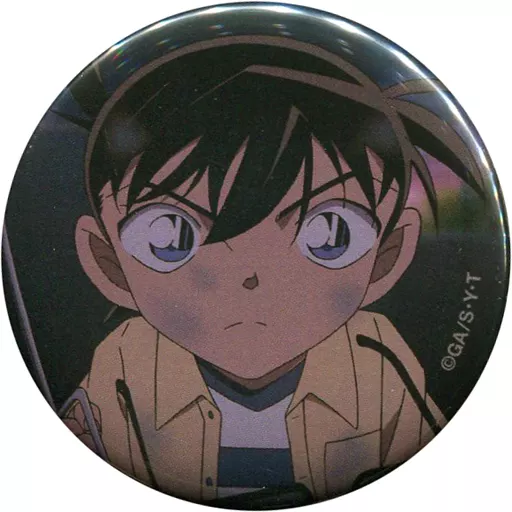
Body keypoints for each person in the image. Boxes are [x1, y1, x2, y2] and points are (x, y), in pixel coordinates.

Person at [63, 36, 484, 505]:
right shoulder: (125, 362)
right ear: (108, 263)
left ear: (387, 256)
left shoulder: (377, 360)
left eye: (331, 234)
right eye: (170, 236)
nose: (252, 276)